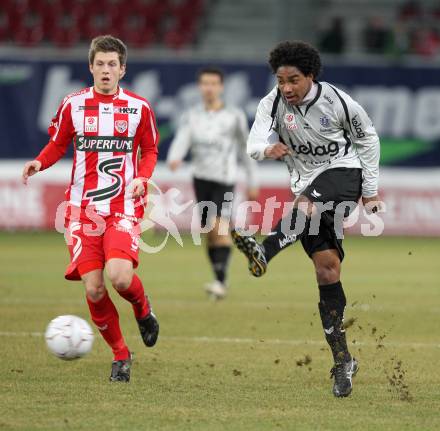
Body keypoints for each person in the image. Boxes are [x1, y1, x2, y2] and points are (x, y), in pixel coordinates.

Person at [231, 41, 381, 397]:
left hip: (344, 173)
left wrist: (371, 190)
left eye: (293, 80)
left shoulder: (338, 101)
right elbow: (251, 144)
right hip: (306, 183)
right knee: (327, 270)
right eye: (281, 80)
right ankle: (343, 360)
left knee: (304, 208)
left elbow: (368, 139)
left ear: (310, 76)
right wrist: (268, 149)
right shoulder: (272, 104)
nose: (286, 88)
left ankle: (264, 252)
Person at [22, 35, 160, 382]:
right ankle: (121, 355)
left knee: (120, 277)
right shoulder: (73, 104)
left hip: (122, 207)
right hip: (81, 210)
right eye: (100, 64)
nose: (105, 70)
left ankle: (143, 310)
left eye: (112, 64)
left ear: (122, 69)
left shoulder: (139, 108)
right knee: (94, 288)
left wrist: (143, 177)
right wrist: (39, 163)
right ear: (90, 67)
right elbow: (57, 144)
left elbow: (150, 150)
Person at [167, 67, 258, 300]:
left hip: (225, 180)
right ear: (200, 87)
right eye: (205, 83)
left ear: (221, 87)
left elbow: (244, 148)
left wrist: (252, 180)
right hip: (201, 178)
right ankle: (220, 277)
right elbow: (183, 137)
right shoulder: (192, 115)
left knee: (219, 226)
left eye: (213, 83)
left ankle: (220, 281)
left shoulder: (233, 115)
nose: (208, 88)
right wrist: (175, 156)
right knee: (211, 232)